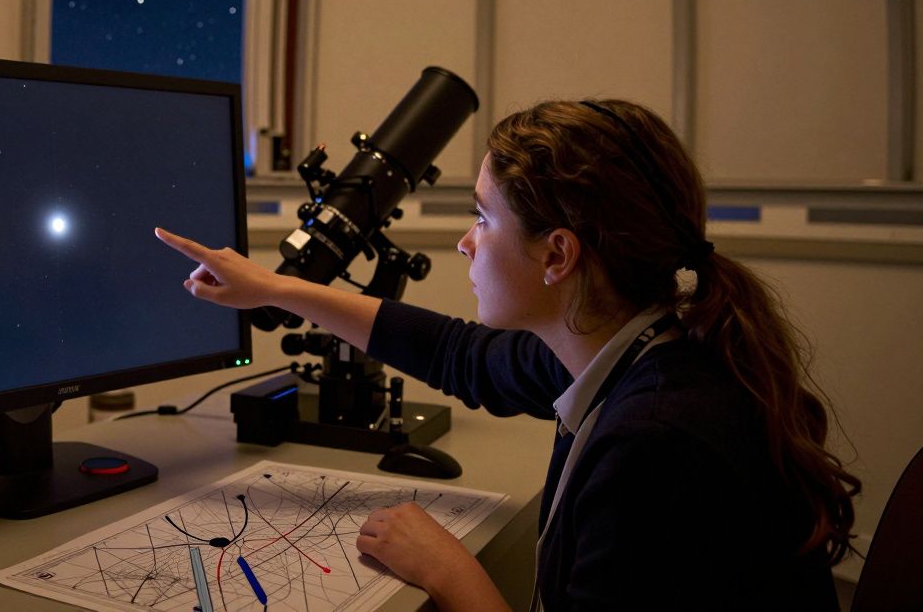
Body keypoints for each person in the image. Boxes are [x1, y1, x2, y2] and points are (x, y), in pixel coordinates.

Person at [154, 99, 860, 611]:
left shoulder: (655, 446)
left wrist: (449, 570)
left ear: (558, 254)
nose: (465, 242)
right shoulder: (631, 346)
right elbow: (459, 354)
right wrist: (275, 287)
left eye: (484, 217)